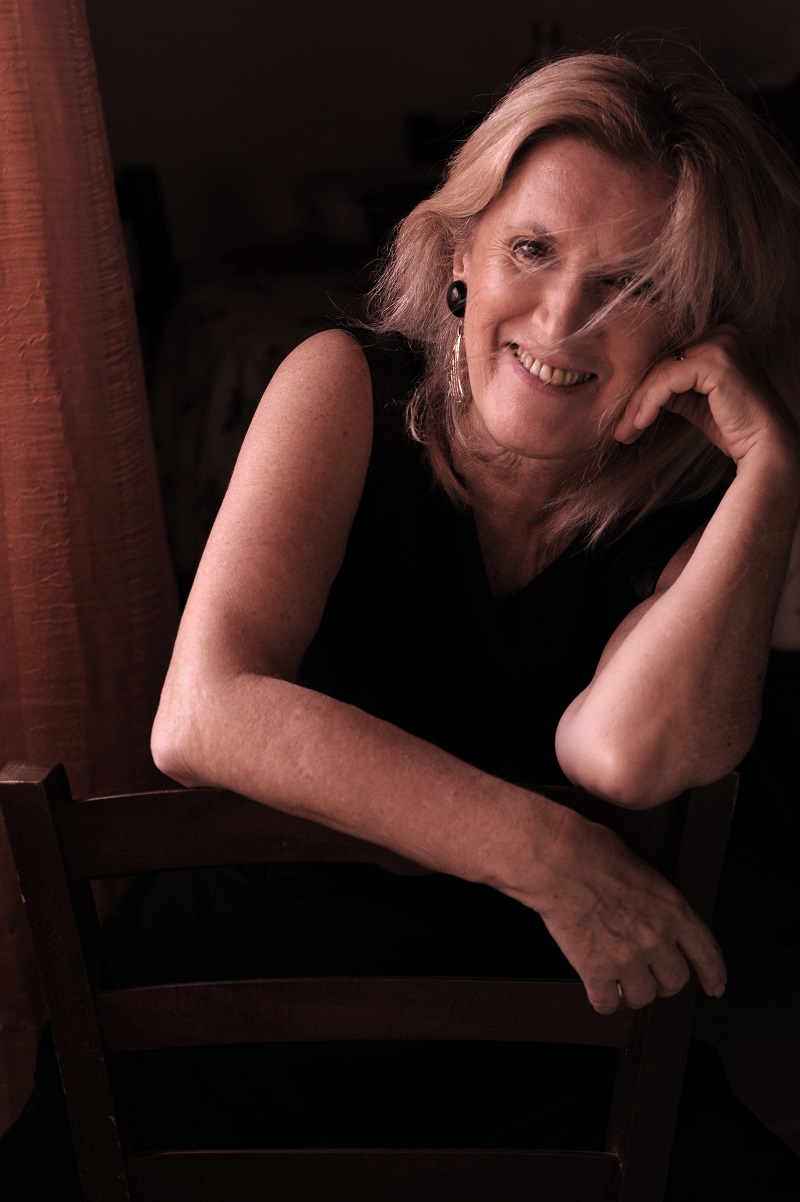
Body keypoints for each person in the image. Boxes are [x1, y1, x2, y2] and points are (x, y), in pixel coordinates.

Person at [3, 48, 800, 1200]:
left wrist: (772, 470)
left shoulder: (695, 513)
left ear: (696, 327)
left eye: (632, 283)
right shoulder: (341, 386)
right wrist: (548, 855)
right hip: (230, 1021)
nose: (562, 317)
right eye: (531, 249)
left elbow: (624, 756)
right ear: (460, 257)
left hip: (522, 1047)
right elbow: (202, 714)